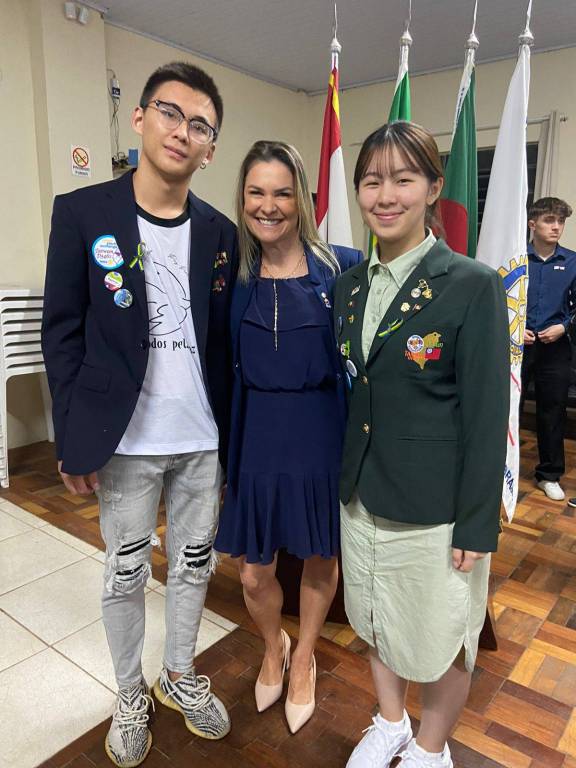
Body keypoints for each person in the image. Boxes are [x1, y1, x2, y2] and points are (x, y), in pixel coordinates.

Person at [41, 62, 238, 768]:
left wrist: (231, 444)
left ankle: (178, 674)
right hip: (123, 441)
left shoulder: (219, 231)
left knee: (193, 567)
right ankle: (130, 692)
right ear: (140, 118)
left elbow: (220, 343)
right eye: (169, 113)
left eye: (199, 125)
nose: (182, 131)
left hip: (201, 441)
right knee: (124, 575)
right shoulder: (83, 213)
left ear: (210, 148)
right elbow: (62, 331)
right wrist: (71, 437)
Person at [336, 122, 509, 768]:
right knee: (376, 619)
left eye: (403, 179)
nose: (385, 196)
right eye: (371, 181)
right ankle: (390, 721)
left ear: (433, 188)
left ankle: (431, 750)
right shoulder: (349, 286)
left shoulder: (471, 283)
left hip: (436, 508)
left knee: (442, 637)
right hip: (363, 495)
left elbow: (489, 414)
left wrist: (478, 521)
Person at [215, 140, 362, 733]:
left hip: (321, 433)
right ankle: (272, 645)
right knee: (254, 571)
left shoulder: (344, 267)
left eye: (282, 193)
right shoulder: (231, 275)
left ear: (301, 198)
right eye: (256, 192)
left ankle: (303, 659)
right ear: (242, 198)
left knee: (321, 557)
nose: (268, 205)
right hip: (256, 436)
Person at [520, 197, 576, 501]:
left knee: (552, 410)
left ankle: (549, 475)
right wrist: (513, 328)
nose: (556, 227)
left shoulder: (572, 262)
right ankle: (501, 469)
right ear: (533, 224)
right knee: (508, 408)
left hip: (555, 348)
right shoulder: (516, 258)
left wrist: (564, 327)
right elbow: (497, 299)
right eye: (549, 220)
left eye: (561, 221)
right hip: (517, 346)